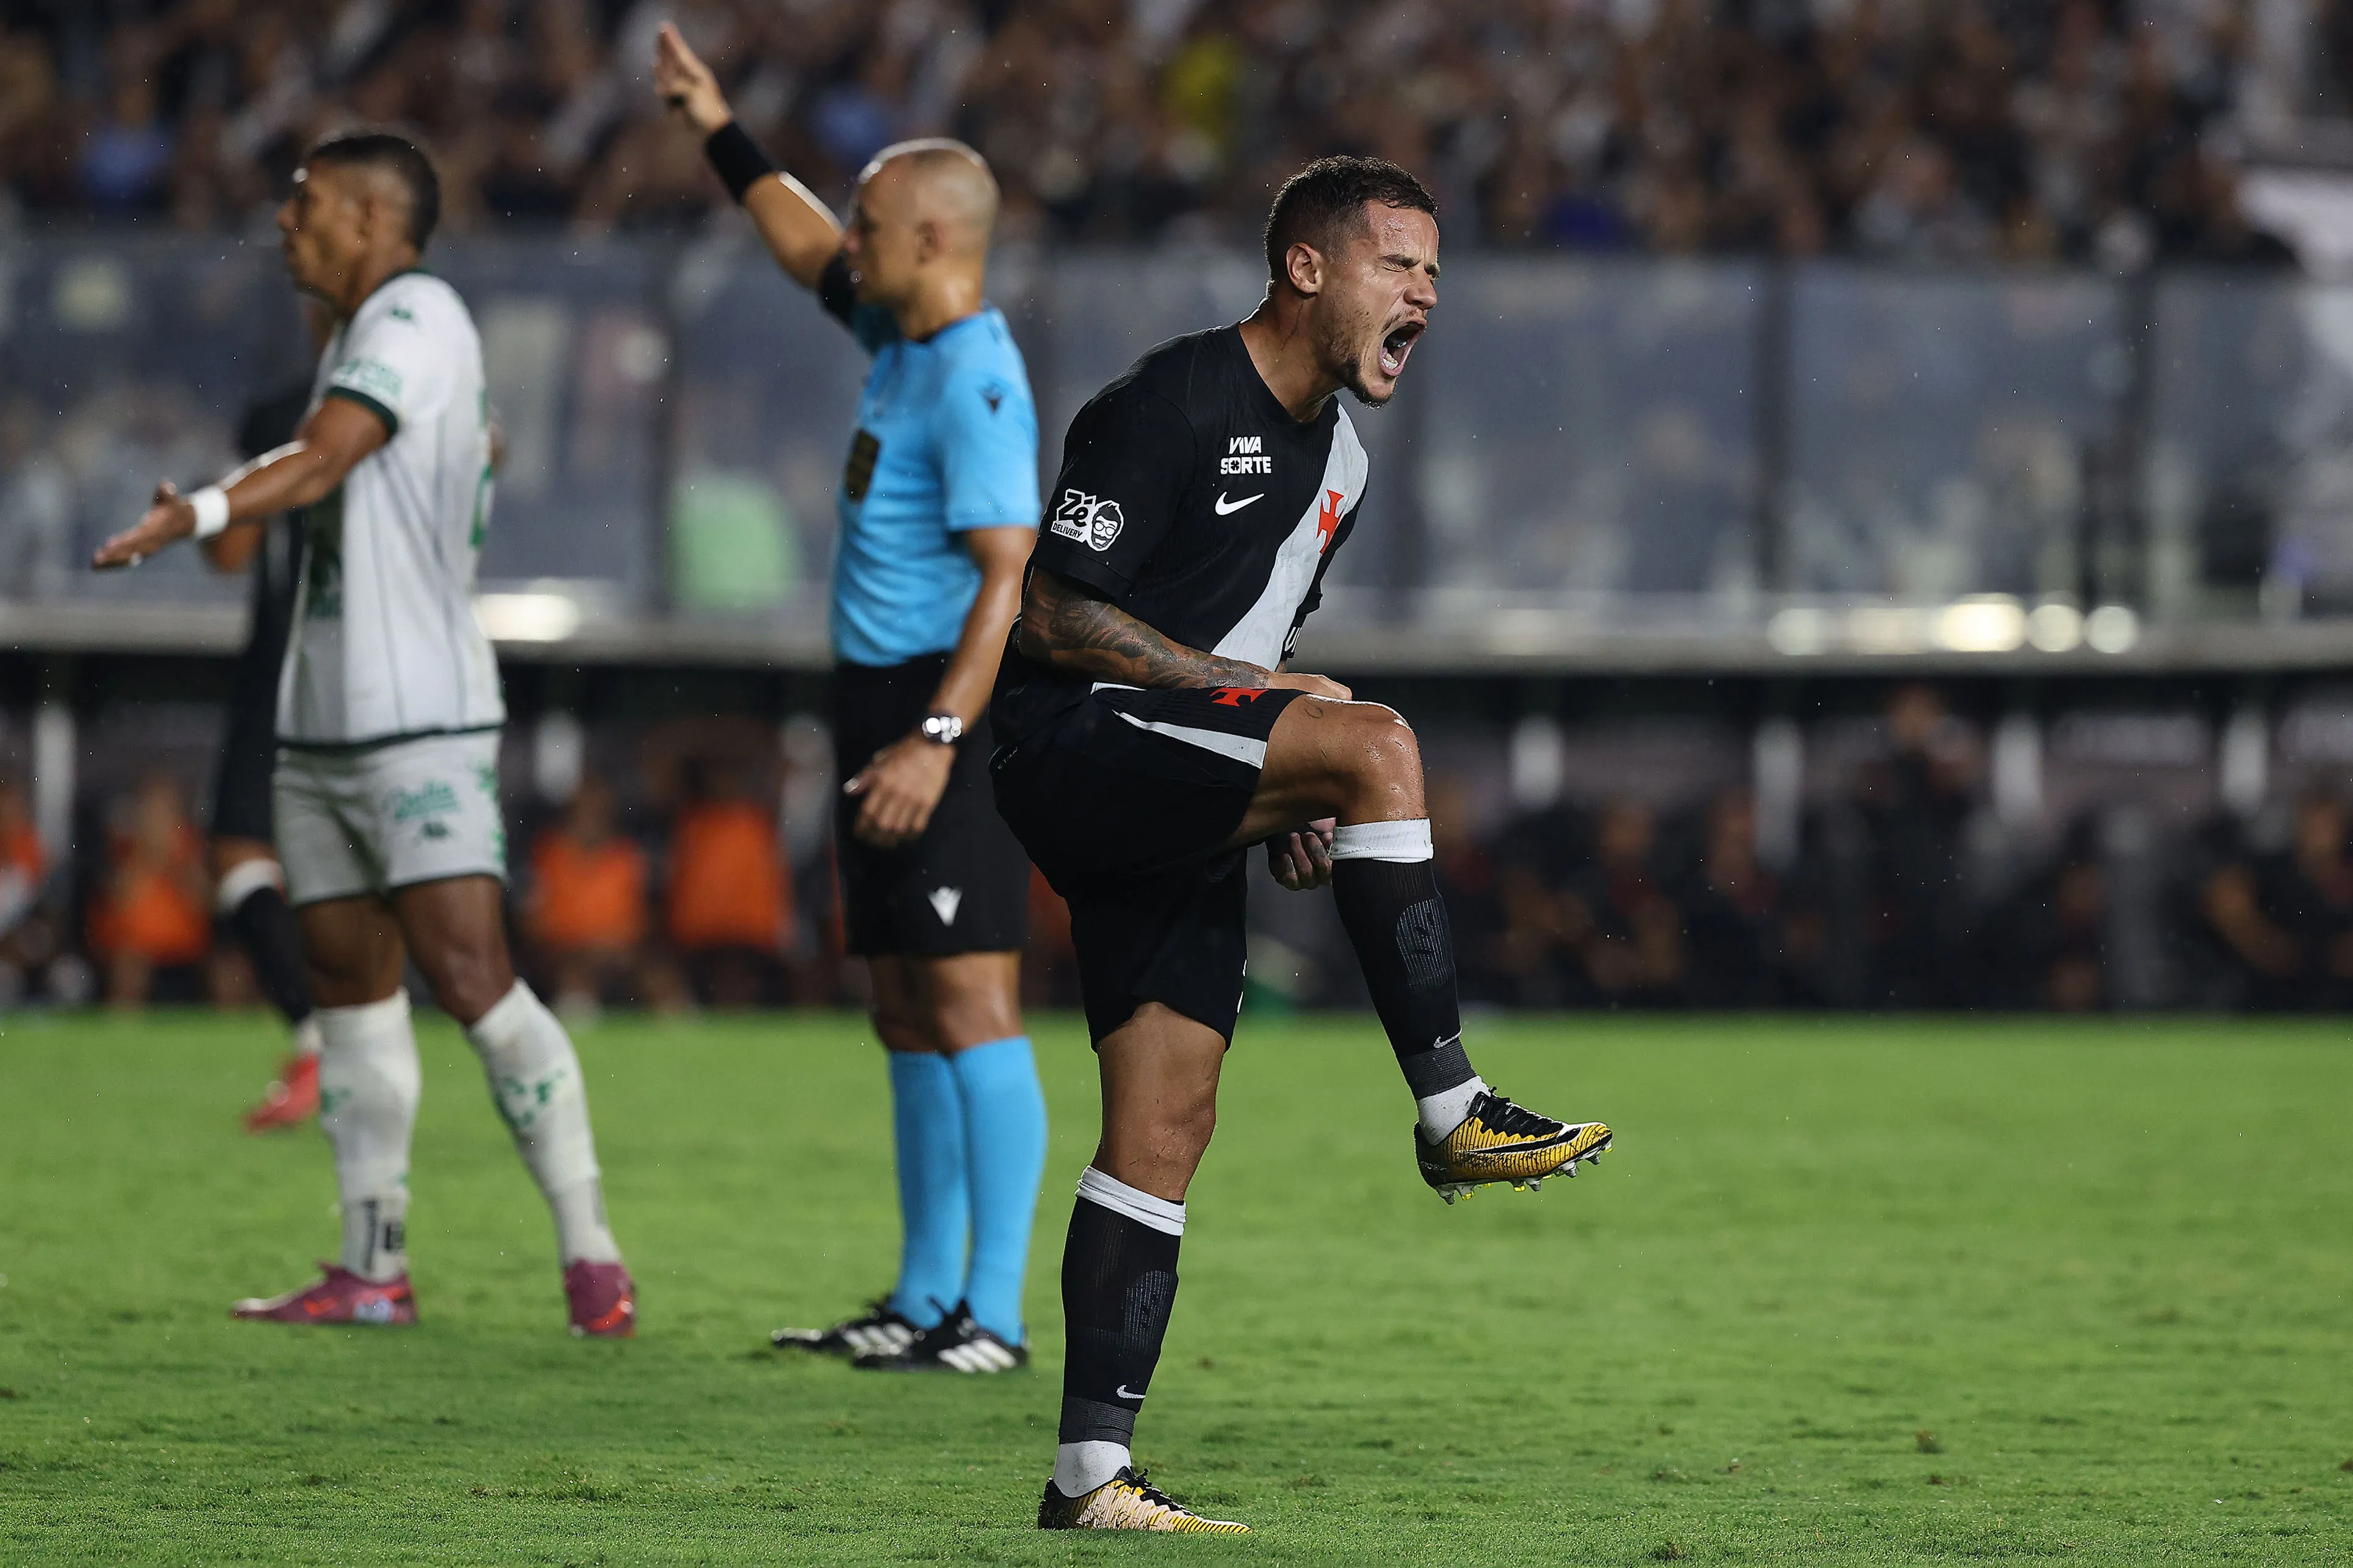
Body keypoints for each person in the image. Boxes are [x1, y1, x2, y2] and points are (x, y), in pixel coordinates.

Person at [988, 155, 1611, 1533]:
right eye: (1401, 266)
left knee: (1166, 1118)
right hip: (1071, 741)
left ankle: (1089, 1475)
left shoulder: (1341, 462)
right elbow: (1050, 617)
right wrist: (1283, 719)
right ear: (1307, 268)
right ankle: (1451, 1109)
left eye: (1436, 273)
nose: (1426, 296)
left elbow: (1259, 654)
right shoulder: (1168, 403)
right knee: (1374, 733)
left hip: (1169, 774)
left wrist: (1283, 791)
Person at [92, 128, 634, 1337]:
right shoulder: (354, 335)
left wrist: (206, 507)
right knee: (347, 991)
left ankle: (590, 1250)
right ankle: (371, 1267)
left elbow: (333, 453)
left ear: (375, 219)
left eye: (307, 204)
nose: (285, 222)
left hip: (419, 720)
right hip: (319, 720)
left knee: (471, 978)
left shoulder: (415, 315)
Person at [657, 25, 1048, 1375]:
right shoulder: (900, 328)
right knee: (898, 1003)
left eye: (874, 224)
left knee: (970, 1004)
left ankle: (990, 1317)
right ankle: (920, 1293)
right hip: (876, 702)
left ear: (938, 235)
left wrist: (938, 744)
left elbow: (1010, 580)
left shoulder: (980, 385)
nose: (851, 243)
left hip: (949, 716)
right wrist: (718, 126)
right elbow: (798, 239)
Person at [207, 332, 326, 1130]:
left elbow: (231, 551)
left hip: (287, 659)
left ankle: (319, 1043)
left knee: (240, 852)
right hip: (391, 662)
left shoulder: (287, 411)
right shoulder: (429, 395)